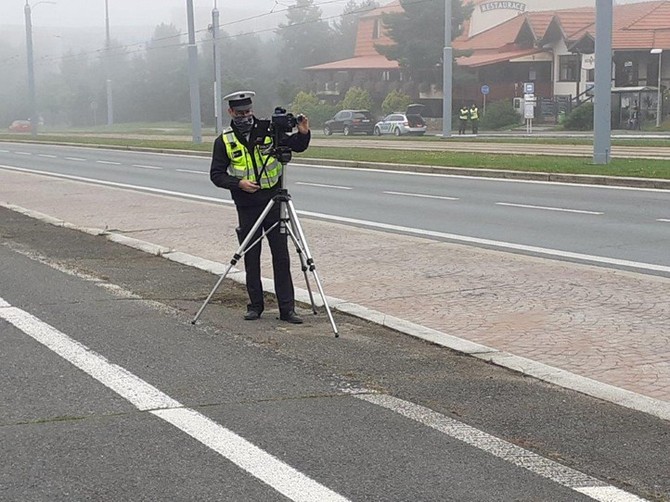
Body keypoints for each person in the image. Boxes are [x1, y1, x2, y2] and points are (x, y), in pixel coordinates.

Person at [210, 90, 311, 324]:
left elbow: (295, 146)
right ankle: (255, 306)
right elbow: (216, 175)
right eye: (240, 113)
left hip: (274, 201)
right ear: (231, 112)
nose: (245, 116)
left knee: (281, 255)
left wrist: (303, 133)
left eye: (248, 111)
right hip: (247, 205)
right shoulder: (224, 140)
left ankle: (287, 309)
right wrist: (239, 184)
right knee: (251, 256)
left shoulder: (268, 130)